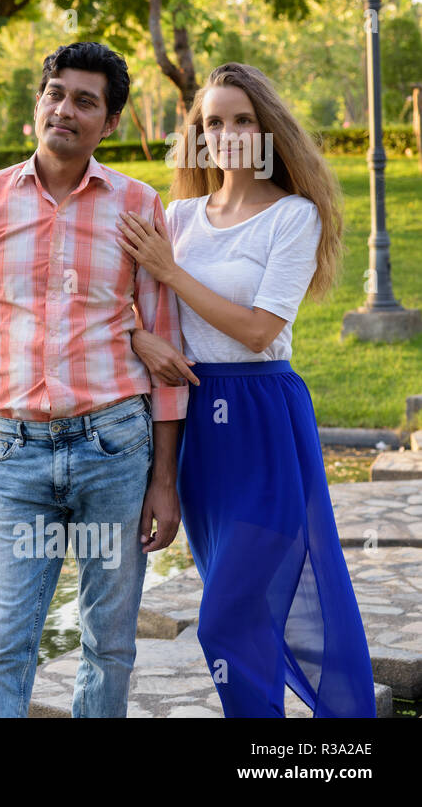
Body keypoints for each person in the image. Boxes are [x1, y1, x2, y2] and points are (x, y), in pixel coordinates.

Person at [0, 41, 190, 718]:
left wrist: (164, 478)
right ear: (38, 102)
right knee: (5, 643)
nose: (65, 109)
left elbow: (165, 351)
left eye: (85, 101)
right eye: (56, 93)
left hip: (116, 449)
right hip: (17, 454)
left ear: (111, 122)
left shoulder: (138, 204)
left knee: (109, 644)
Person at [118, 61, 376, 717]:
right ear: (198, 134)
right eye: (213, 121)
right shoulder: (176, 216)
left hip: (264, 422)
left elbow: (260, 330)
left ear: (266, 128)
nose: (228, 132)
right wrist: (140, 339)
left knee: (224, 618)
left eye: (242, 119)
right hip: (197, 425)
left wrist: (171, 274)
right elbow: (115, 303)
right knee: (242, 619)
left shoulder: (294, 217)